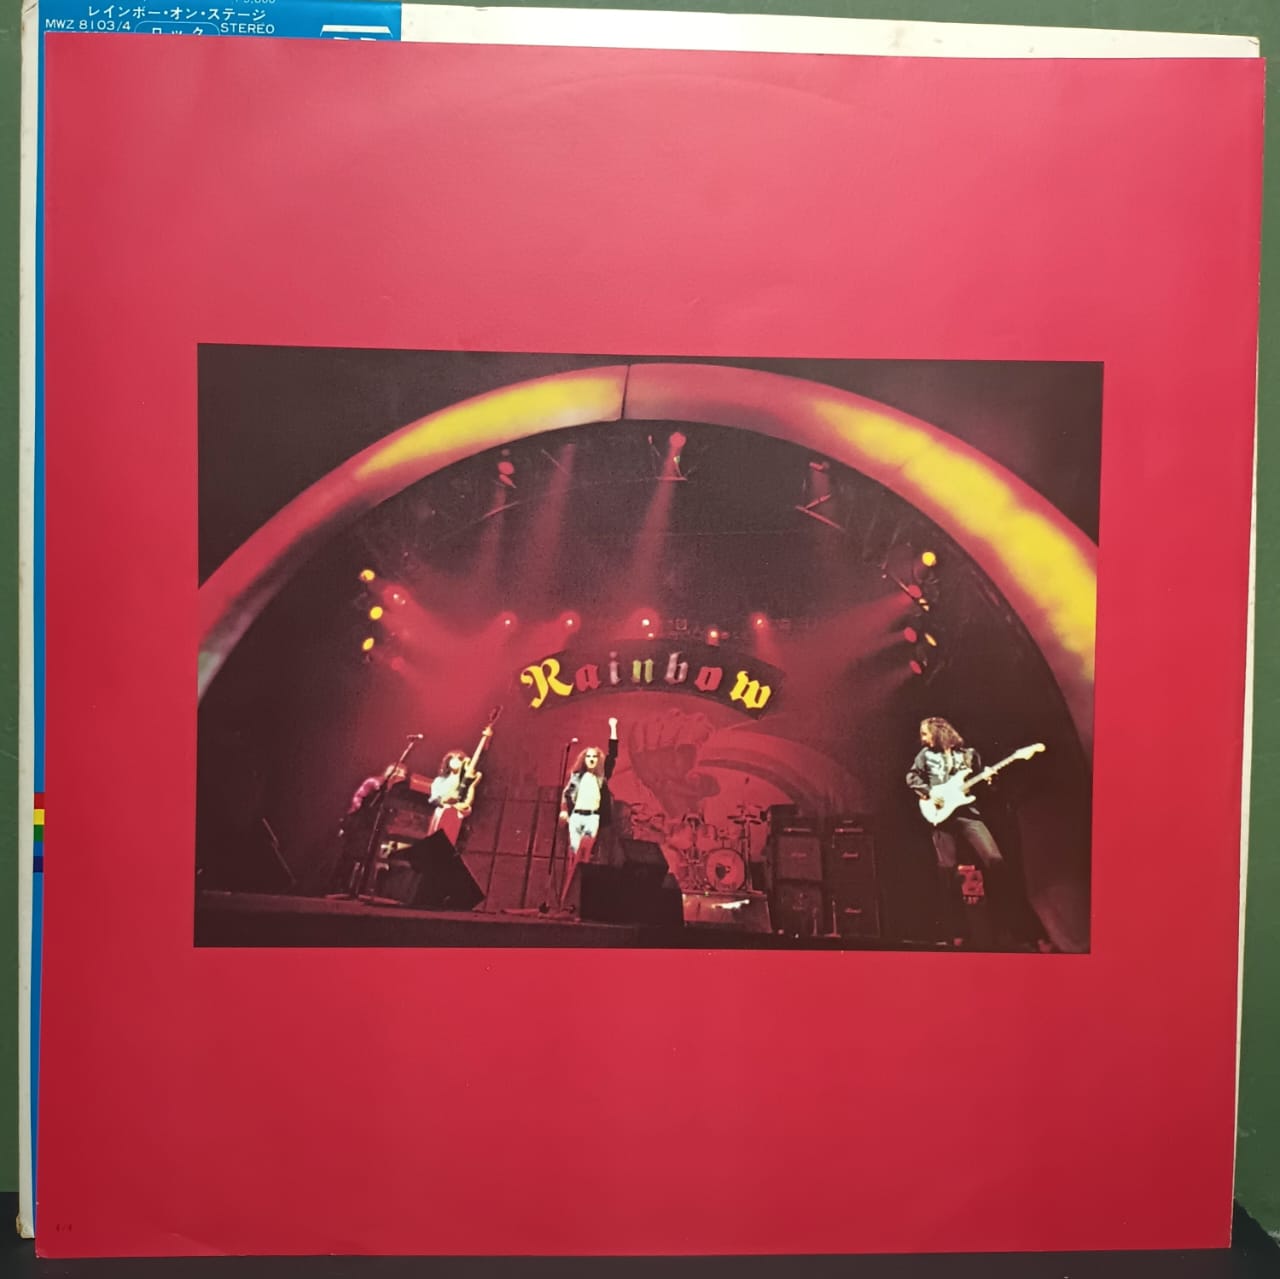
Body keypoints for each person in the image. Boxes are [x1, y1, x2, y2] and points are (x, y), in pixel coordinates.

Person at [906, 717, 1008, 949]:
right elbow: (912, 777)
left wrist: (990, 780)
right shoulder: (925, 755)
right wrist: (930, 793)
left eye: (925, 733)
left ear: (938, 733)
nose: (922, 738)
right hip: (941, 816)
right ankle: (956, 932)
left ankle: (1009, 928)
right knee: (947, 873)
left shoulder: (969, 755)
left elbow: (984, 784)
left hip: (968, 813)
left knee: (996, 862)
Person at [557, 717, 619, 909]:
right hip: (576, 817)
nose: (591, 759)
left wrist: (613, 728)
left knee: (584, 857)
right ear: (584, 759)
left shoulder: (601, 777)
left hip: (592, 818)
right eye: (588, 756)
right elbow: (566, 794)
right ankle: (566, 900)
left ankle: (578, 901)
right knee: (573, 857)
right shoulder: (577, 777)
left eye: (594, 757)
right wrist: (564, 811)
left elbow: (613, 755)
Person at [428, 749, 473, 844]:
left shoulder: (465, 784)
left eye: (459, 759)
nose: (456, 761)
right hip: (441, 814)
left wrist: (463, 807)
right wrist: (443, 800)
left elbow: (467, 803)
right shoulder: (439, 780)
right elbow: (432, 799)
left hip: (455, 817)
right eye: (453, 758)